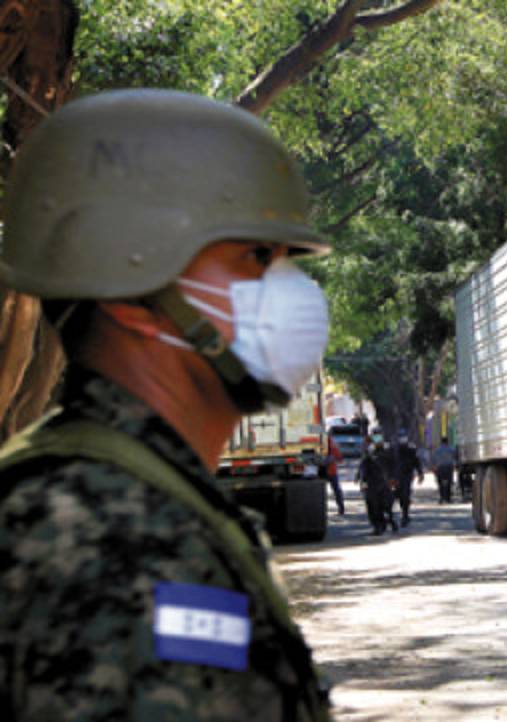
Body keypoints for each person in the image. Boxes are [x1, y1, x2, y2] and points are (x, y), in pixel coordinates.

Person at [0, 90, 332, 721]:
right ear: (130, 295)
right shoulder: (102, 539)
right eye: (256, 258)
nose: (292, 293)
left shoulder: (135, 498)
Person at [356, 441, 397, 535]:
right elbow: (362, 470)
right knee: (374, 507)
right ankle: (380, 525)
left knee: (382, 506)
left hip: (382, 485)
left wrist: (393, 479)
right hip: (372, 485)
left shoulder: (387, 452)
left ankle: (386, 523)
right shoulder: (367, 457)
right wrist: (362, 481)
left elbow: (393, 466)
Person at [392, 437, 423, 526]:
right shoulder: (394, 451)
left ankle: (405, 515)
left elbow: (416, 462)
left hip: (406, 476)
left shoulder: (411, 451)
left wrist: (420, 474)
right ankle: (390, 516)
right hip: (396, 477)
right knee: (395, 495)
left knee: (405, 496)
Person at [432, 436, 458, 504]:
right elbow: (455, 456)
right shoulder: (451, 449)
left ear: (441, 442)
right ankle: (448, 498)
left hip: (440, 468)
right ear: (447, 442)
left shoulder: (437, 450)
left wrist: (434, 467)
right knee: (449, 483)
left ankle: (441, 498)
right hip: (449, 467)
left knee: (440, 483)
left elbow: (434, 459)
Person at [323, 436, 345, 515]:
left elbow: (339, 458)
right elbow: (340, 458)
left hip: (325, 472)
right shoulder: (332, 444)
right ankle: (341, 507)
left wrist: (333, 458)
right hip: (330, 472)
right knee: (336, 490)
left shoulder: (331, 445)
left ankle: (341, 507)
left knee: (335, 490)